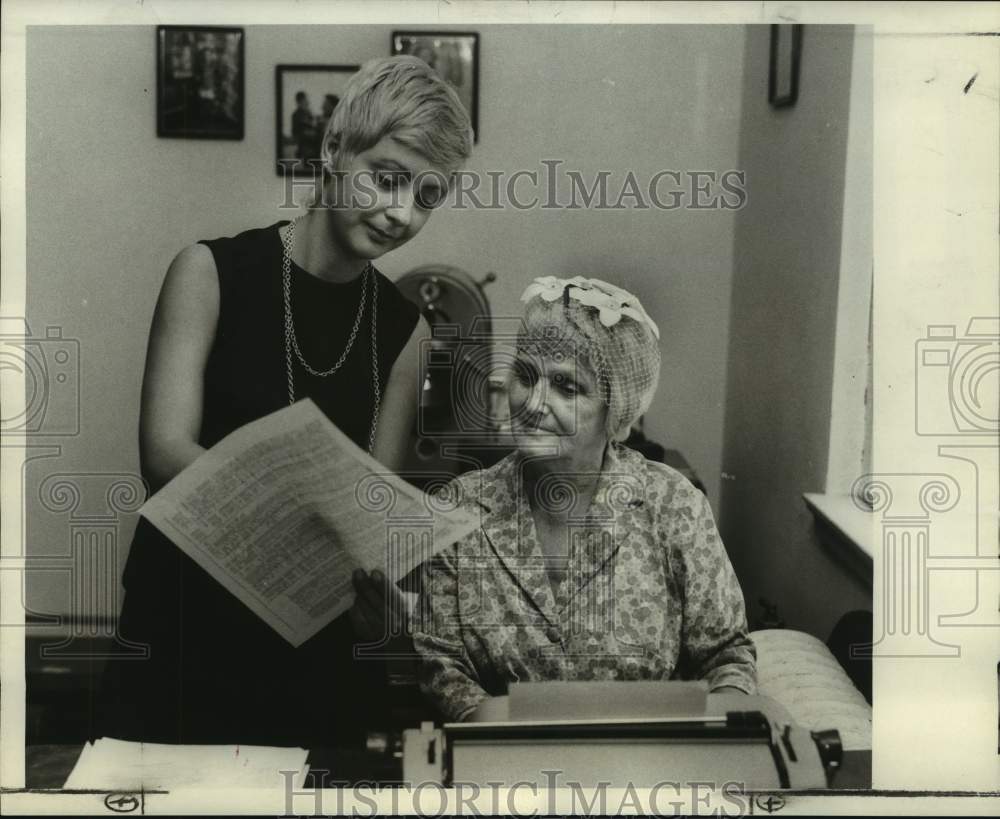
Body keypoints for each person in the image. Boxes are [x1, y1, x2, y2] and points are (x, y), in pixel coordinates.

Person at [97, 56, 473, 746]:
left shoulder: (407, 328)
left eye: (425, 195)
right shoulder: (208, 272)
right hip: (184, 630)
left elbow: (373, 504)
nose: (399, 213)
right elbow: (162, 452)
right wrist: (307, 516)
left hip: (307, 651)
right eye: (386, 178)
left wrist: (382, 585)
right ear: (332, 150)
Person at [413, 277, 756, 722]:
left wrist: (719, 726)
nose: (535, 403)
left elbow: (726, 655)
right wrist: (483, 722)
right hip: (503, 765)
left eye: (567, 387)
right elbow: (440, 660)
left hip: (647, 770)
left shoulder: (674, 506)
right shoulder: (461, 506)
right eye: (525, 375)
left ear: (617, 418)